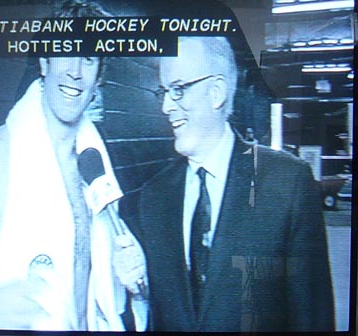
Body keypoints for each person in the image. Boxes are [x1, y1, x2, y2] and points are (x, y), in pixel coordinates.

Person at [0, 0, 147, 331]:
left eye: (89, 58)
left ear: (98, 79)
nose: (75, 71)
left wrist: (136, 285)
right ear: (44, 60)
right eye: (66, 51)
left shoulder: (95, 167)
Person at [121, 36, 335, 332]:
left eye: (179, 90)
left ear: (217, 91)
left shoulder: (287, 183)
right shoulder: (154, 196)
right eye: (164, 92)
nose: (166, 106)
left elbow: (312, 317)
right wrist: (140, 292)